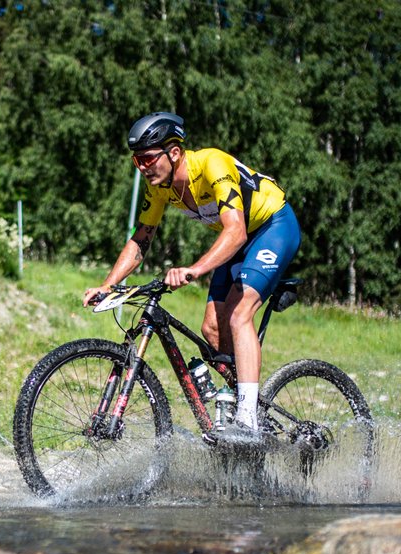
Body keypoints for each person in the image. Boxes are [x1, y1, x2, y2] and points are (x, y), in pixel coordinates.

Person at [83, 112, 301, 447]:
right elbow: (141, 238)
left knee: (239, 315)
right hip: (240, 240)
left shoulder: (211, 165)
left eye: (147, 159)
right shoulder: (160, 188)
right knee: (212, 329)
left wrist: (195, 269)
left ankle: (248, 420)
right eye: (136, 160)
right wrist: (109, 285)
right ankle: (240, 402)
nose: (141, 167)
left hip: (273, 227)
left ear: (173, 152)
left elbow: (236, 230)